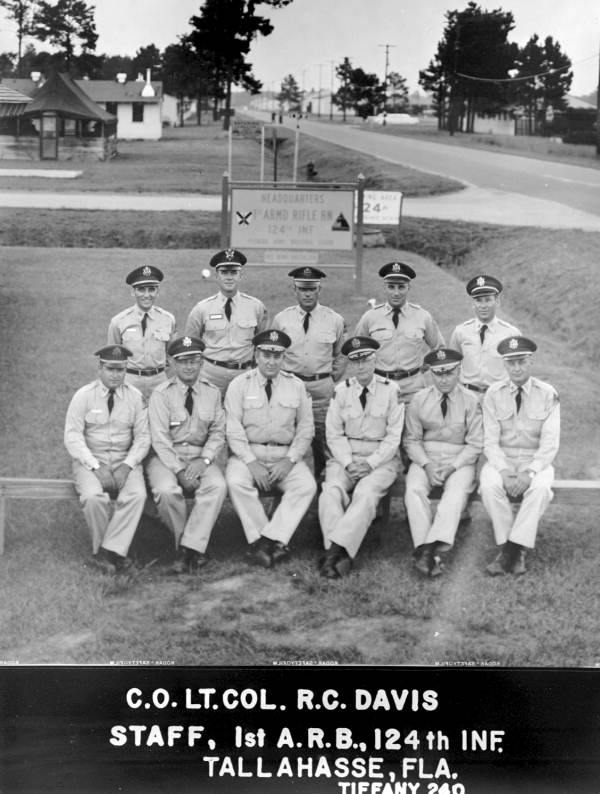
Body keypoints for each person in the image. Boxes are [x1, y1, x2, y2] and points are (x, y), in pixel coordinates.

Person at [224, 329, 316, 568]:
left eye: (277, 356)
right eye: (266, 355)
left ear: (283, 358)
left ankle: (272, 539)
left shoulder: (296, 386)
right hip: (249, 454)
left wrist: (290, 460)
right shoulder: (239, 385)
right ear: (256, 355)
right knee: (236, 482)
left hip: (284, 454)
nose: (271, 361)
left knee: (306, 486)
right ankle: (262, 541)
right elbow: (233, 429)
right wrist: (251, 462)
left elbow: (306, 428)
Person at [318, 336, 404, 578]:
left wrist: (369, 464)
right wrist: (348, 463)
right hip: (345, 457)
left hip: (380, 460)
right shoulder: (341, 392)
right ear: (351, 365)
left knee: (366, 493)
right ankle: (340, 554)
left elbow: (393, 437)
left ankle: (334, 553)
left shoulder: (391, 390)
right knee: (330, 492)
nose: (361, 367)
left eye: (366, 360)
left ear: (375, 359)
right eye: (355, 362)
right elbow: (333, 434)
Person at [64, 344, 150, 574]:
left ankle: (110, 552)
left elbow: (143, 438)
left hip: (125, 460)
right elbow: (72, 437)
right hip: (91, 460)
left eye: (121, 370)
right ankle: (110, 553)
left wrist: (127, 466)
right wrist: (95, 466)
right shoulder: (83, 396)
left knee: (137, 495)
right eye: (111, 369)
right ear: (99, 368)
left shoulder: (135, 397)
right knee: (93, 497)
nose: (116, 375)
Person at [480, 336, 560, 576]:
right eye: (511, 363)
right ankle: (511, 548)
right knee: (488, 486)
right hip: (502, 460)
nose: (516, 368)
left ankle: (512, 551)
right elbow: (490, 441)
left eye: (521, 362)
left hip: (536, 460)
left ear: (530, 362)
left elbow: (550, 442)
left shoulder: (547, 393)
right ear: (504, 365)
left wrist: (530, 471)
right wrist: (503, 471)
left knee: (540, 490)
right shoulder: (494, 393)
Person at [146, 336, 227, 574]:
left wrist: (204, 460)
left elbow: (218, 432)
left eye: (194, 360)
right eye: (183, 361)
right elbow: (159, 438)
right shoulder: (161, 394)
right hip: (165, 458)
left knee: (218, 486)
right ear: (172, 363)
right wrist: (179, 470)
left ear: (202, 362)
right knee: (166, 491)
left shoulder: (212, 392)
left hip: (199, 458)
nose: (189, 366)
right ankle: (191, 546)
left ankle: (187, 550)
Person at [403, 348, 483, 577]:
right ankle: (425, 547)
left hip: (459, 459)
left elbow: (476, 443)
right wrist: (426, 465)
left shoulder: (471, 400)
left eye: (449, 373)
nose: (444, 379)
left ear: (459, 371)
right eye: (439, 374)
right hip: (426, 457)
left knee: (455, 492)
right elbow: (411, 440)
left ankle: (431, 549)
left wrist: (454, 466)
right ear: (431, 375)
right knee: (413, 489)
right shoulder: (419, 399)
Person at [272, 266, 346, 479]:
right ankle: (288, 488)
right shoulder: (282, 320)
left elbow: (341, 353)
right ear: (294, 289)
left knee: (325, 442)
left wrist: (331, 378)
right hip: (290, 388)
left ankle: (325, 490)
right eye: (302, 289)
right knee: (287, 439)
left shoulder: (334, 320)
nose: (307, 293)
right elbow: (273, 350)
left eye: (311, 289)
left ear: (319, 289)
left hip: (321, 390)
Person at [354, 261, 445, 403]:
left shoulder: (422, 316)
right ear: (385, 288)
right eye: (391, 287)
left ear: (409, 287)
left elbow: (439, 347)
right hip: (380, 386)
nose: (396, 293)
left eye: (401, 287)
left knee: (414, 425)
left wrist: (422, 368)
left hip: (413, 387)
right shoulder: (370, 317)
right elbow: (356, 349)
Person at [184, 248, 269, 397]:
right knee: (208, 416)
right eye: (224, 272)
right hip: (211, 375)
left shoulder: (256, 307)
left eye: (234, 272)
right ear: (216, 276)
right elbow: (191, 345)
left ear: (241, 276)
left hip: (244, 374)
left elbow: (261, 343)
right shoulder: (201, 309)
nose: (229, 277)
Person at [107, 265, 177, 402]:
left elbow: (171, 355)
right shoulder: (119, 321)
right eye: (141, 289)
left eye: (151, 289)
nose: (146, 295)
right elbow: (113, 358)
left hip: (159, 381)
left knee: (159, 420)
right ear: (133, 292)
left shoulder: (168, 319)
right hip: (130, 381)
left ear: (158, 292)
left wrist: (163, 376)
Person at [449, 274, 520, 397]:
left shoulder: (511, 333)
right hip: (468, 397)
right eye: (478, 300)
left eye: (488, 300)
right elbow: (452, 366)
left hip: (499, 396)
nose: (483, 306)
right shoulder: (460, 332)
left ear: (497, 302)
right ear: (473, 303)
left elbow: (519, 368)